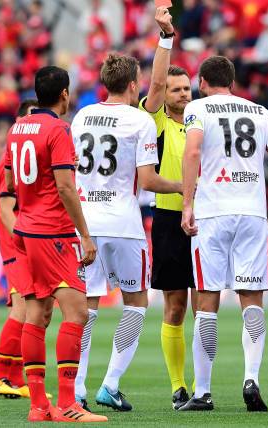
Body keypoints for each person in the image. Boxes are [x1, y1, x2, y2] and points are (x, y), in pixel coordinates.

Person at [179, 55, 268, 412]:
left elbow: (194, 149)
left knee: (207, 300)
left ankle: (203, 392)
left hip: (213, 212)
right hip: (252, 213)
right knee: (252, 300)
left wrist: (188, 203)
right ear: (231, 81)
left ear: (202, 81)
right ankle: (251, 378)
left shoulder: (197, 108)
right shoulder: (261, 113)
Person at [72, 53, 182, 412]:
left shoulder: (83, 116)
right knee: (136, 302)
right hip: (123, 225)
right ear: (134, 84)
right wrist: (185, 185)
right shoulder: (139, 120)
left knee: (86, 308)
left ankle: (76, 387)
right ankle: (111, 384)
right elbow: (148, 180)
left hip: (85, 223)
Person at [5, 66, 106, 423]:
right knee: (77, 313)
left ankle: (38, 406)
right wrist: (86, 235)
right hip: (55, 233)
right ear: (64, 94)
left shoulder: (18, 128)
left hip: (27, 230)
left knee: (37, 314)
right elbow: (65, 188)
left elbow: (17, 181)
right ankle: (66, 404)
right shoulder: (60, 128)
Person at [139, 6, 197, 410]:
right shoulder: (156, 120)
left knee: (205, 307)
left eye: (187, 89)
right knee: (175, 305)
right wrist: (166, 38)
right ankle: (179, 387)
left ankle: (203, 386)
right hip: (168, 217)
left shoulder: (201, 122)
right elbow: (157, 82)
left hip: (204, 220)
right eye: (177, 90)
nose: (182, 95)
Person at [0, 99, 55, 400]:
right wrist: (23, 238)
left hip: (27, 242)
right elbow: (5, 209)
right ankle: (1, 376)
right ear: (18, 123)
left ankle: (13, 379)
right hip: (19, 245)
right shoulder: (9, 161)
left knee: (36, 311)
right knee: (24, 308)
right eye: (29, 118)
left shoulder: (26, 159)